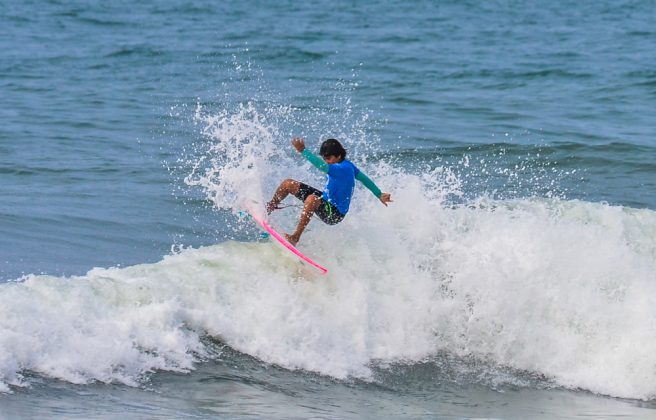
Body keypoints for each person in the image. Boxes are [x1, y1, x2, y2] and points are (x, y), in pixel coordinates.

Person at [266, 137, 392, 246]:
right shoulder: (348, 165)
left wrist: (303, 151)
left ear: (339, 156)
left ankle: (295, 237)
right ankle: (270, 206)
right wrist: (379, 194)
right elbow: (365, 180)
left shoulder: (342, 168)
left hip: (335, 214)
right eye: (324, 158)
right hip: (326, 200)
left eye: (329, 158)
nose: (326, 161)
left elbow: (321, 166)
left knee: (311, 199)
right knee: (288, 184)